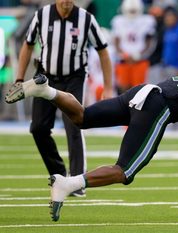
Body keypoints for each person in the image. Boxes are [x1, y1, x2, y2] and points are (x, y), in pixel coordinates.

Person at [6, 28, 178, 222]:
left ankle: (46, 91)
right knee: (124, 171)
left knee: (82, 117)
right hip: (157, 108)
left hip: (144, 91)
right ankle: (67, 184)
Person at [12, 0, 113, 197]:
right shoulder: (42, 15)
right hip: (45, 79)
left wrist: (108, 87)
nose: (66, 2)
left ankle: (76, 182)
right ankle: (59, 174)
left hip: (74, 79)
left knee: (74, 126)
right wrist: (19, 78)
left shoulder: (86, 19)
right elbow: (28, 45)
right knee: (38, 128)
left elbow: (103, 52)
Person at [111, 0, 156, 94]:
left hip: (140, 61)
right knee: (123, 88)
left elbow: (150, 41)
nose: (132, 13)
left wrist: (141, 55)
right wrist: (122, 54)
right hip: (123, 60)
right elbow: (116, 40)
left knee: (140, 89)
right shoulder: (118, 20)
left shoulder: (147, 20)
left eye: (134, 10)